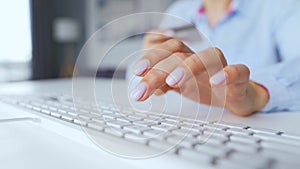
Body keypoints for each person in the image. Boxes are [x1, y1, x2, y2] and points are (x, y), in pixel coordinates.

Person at [130, 0, 300, 116]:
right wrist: (149, 71)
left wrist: (258, 92)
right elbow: (134, 83)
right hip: (189, 122)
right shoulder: (179, 11)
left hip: (253, 126)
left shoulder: (279, 5)